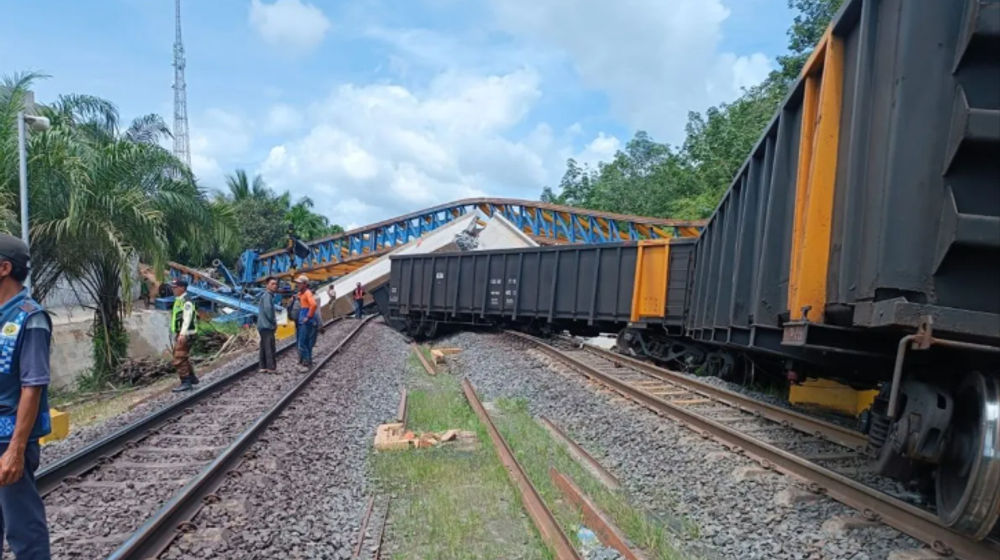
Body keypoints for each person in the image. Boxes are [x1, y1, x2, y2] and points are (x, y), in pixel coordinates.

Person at [0, 234, 52, 559]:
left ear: (4, 268)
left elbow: (32, 387)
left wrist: (15, 451)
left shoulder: (30, 318)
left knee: (23, 528)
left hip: (9, 440)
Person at [169, 279, 199, 392]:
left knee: (179, 357)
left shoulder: (187, 301)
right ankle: (191, 378)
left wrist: (182, 333)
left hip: (187, 333)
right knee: (182, 356)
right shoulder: (179, 300)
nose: (173, 289)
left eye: (175, 287)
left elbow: (187, 317)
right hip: (182, 333)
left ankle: (185, 382)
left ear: (182, 288)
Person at [256, 278, 279, 374]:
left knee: (264, 346)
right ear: (267, 285)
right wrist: (274, 322)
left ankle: (263, 366)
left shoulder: (265, 296)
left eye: (276, 284)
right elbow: (268, 311)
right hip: (267, 325)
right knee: (270, 347)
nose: (275, 286)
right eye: (272, 284)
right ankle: (271, 367)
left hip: (262, 325)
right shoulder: (267, 296)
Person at [295, 275, 318, 369]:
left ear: (305, 284)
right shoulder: (302, 293)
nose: (297, 285)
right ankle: (308, 360)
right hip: (305, 318)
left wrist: (307, 317)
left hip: (305, 319)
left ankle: (306, 362)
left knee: (302, 343)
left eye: (299, 283)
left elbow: (313, 305)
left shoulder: (307, 293)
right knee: (307, 342)